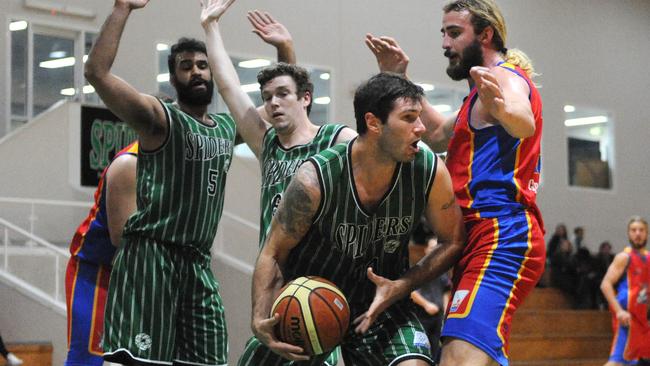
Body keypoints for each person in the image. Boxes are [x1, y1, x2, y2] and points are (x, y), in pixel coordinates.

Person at [366, 1, 545, 364]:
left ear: (485, 34)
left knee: (457, 358)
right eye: (443, 34)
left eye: (454, 33)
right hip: (475, 238)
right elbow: (434, 132)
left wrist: (507, 111)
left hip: (502, 235)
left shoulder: (505, 78)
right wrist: (399, 76)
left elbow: (523, 120)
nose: (445, 44)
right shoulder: (475, 98)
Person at [248, 72, 466, 365]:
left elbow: (452, 240)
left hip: (382, 302)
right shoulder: (315, 178)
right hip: (312, 300)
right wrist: (260, 315)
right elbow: (273, 252)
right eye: (409, 118)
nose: (421, 127)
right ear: (374, 123)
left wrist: (401, 285)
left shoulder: (427, 167)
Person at [64, 142, 137, 366]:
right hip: (95, 272)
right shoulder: (131, 161)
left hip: (133, 275)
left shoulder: (179, 156)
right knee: (87, 361)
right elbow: (124, 240)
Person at [600, 216, 650, 366]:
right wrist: (619, 311)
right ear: (629, 234)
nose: (637, 233)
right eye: (633, 230)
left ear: (647, 233)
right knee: (617, 362)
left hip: (644, 319)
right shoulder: (624, 257)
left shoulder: (648, 258)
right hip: (628, 319)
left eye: (641, 230)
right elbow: (605, 284)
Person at [409, 233, 451, 361]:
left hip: (437, 318)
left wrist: (445, 313)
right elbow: (411, 292)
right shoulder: (418, 269)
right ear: (426, 249)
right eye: (432, 248)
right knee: (420, 352)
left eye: (437, 248)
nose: (434, 251)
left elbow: (445, 291)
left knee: (435, 352)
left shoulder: (442, 270)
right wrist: (426, 304)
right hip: (421, 317)